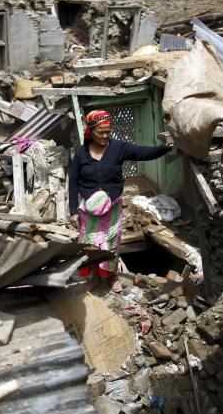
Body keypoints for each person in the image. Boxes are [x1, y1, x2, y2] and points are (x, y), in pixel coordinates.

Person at [68, 109, 172, 288]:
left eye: (108, 131)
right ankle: (94, 277)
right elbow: (73, 181)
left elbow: (144, 153)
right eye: (100, 132)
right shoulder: (81, 152)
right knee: (90, 244)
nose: (105, 135)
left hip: (111, 208)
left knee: (110, 243)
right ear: (90, 131)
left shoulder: (119, 148)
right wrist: (72, 211)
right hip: (89, 210)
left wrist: (166, 147)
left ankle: (110, 276)